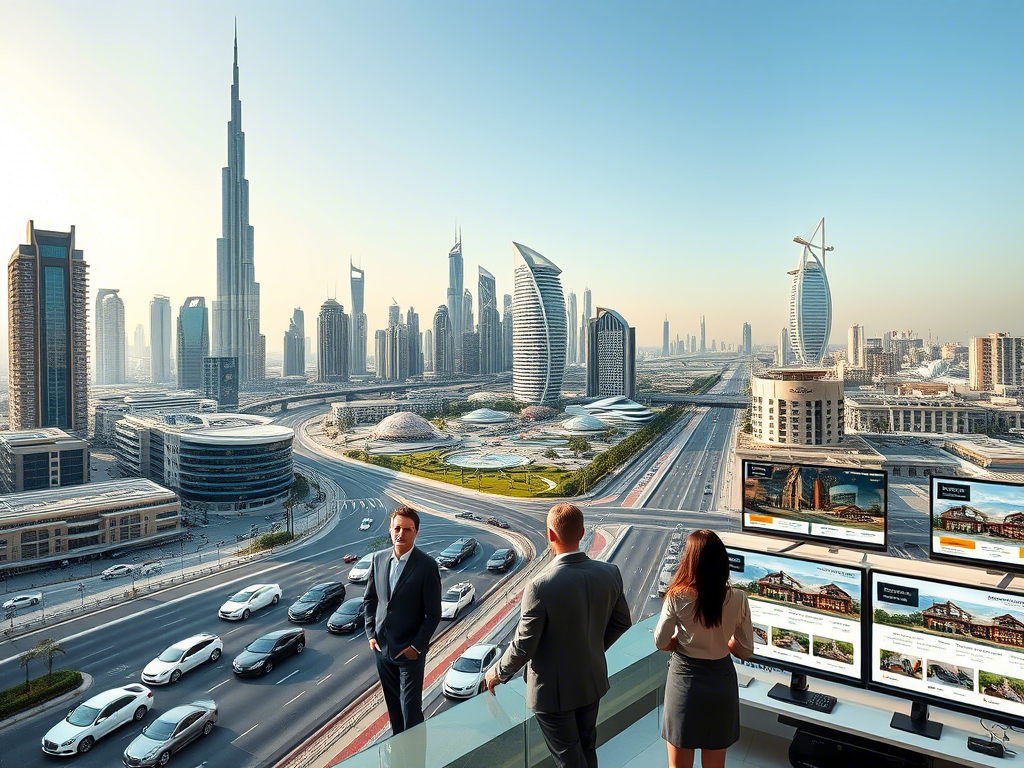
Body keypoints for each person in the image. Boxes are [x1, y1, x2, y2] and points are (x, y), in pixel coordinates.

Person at [484, 503, 632, 768]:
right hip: (592, 682)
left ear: (551, 535)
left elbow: (524, 646)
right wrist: (593, 648)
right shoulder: (610, 573)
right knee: (587, 750)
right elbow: (622, 622)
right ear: (583, 532)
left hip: (553, 694)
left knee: (569, 762)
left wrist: (497, 673)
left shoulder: (540, 586)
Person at [655, 529, 754, 768]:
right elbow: (746, 649)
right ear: (722, 562)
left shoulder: (677, 597)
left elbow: (660, 641)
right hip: (721, 684)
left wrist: (675, 643)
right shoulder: (739, 598)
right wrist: (728, 643)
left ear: (689, 561)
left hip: (684, 683)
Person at [363, 506, 442, 734]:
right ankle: (400, 750)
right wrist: (371, 635)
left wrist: (415, 647)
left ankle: (416, 757)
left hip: (409, 653)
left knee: (411, 710)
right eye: (397, 528)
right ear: (390, 529)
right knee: (394, 709)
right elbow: (370, 600)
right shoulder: (378, 560)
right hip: (382, 650)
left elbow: (433, 614)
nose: (401, 534)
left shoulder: (427, 566)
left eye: (407, 529)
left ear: (416, 532)